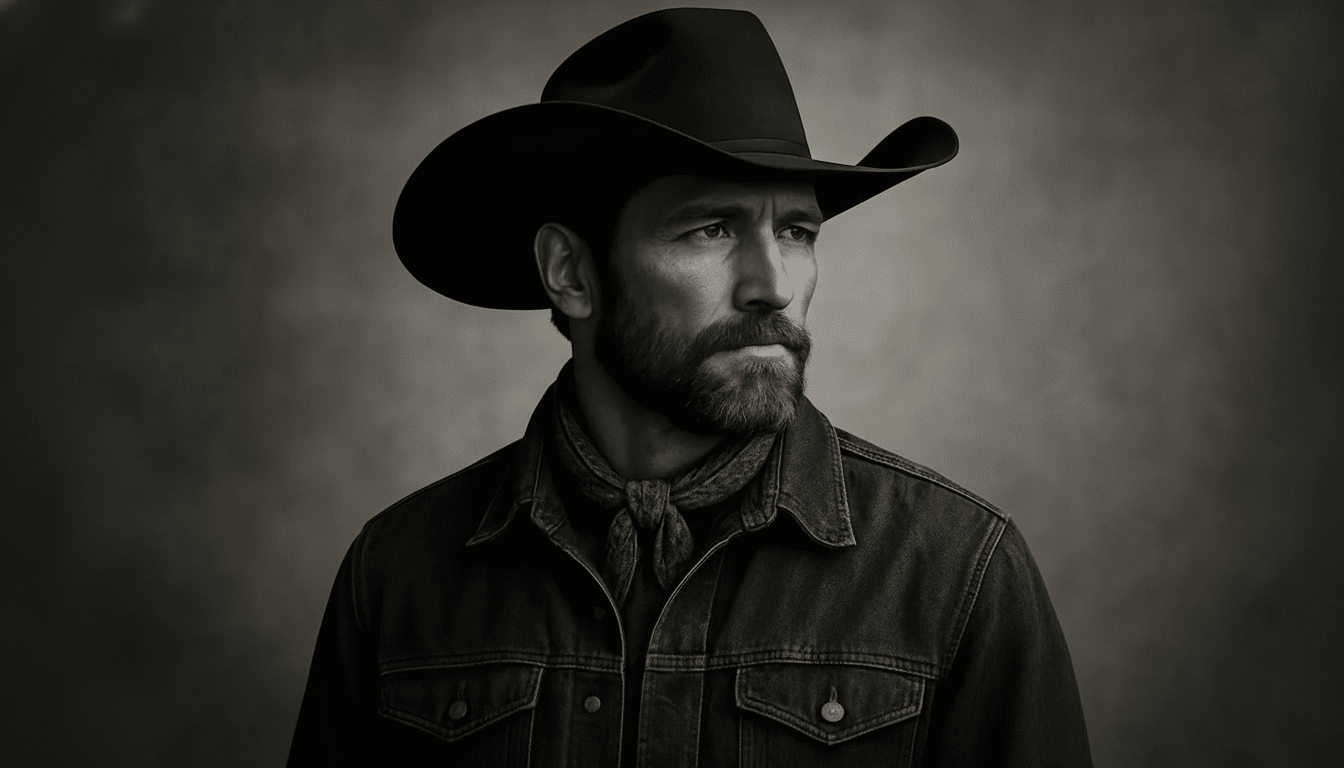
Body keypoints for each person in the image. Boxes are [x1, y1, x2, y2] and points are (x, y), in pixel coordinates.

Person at [288, 8, 1092, 767]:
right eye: (711, 229)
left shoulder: (956, 569)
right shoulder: (399, 576)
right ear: (571, 273)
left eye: (797, 231)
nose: (772, 285)